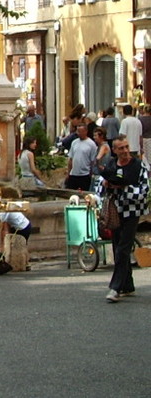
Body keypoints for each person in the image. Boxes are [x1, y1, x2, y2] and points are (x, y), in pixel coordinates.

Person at [99, 137, 148, 302]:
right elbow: (101, 187)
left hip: (132, 212)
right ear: (115, 150)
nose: (125, 151)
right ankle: (128, 285)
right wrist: (106, 184)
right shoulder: (112, 165)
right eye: (121, 148)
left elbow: (144, 191)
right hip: (115, 211)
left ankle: (115, 287)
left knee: (123, 248)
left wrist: (124, 188)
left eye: (127, 147)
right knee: (118, 247)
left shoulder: (138, 165)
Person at [66, 122, 97, 191]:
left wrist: (90, 173)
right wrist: (69, 172)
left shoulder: (91, 144)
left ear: (86, 131)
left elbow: (92, 161)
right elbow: (70, 158)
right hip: (73, 174)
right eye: (78, 131)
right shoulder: (74, 142)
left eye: (81, 131)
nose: (79, 133)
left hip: (84, 174)